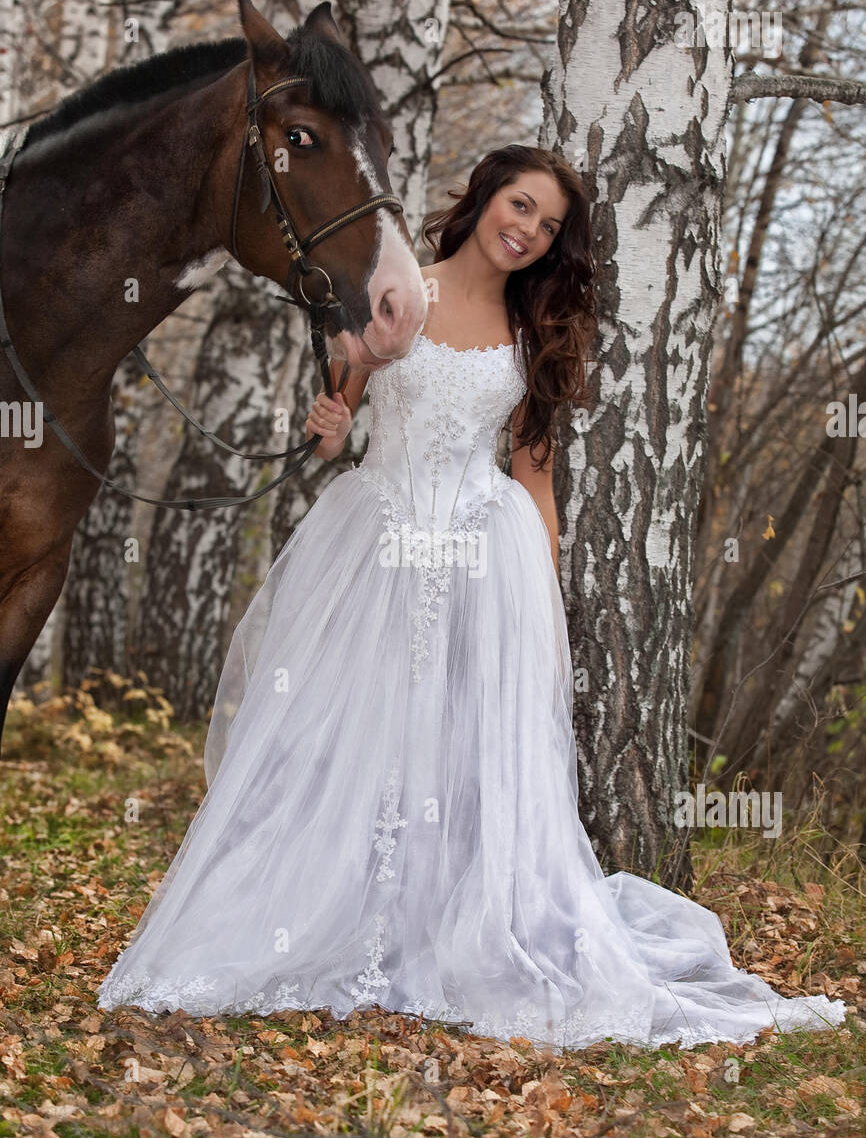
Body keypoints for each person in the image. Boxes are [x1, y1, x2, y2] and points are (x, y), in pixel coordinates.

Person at [98, 145, 846, 1051]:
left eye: (547, 224)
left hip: (483, 559)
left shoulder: (536, 330)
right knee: (344, 733)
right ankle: (320, 915)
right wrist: (330, 425)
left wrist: (543, 593)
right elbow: (343, 419)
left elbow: (533, 475)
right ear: (486, 196)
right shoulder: (396, 285)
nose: (527, 230)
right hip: (374, 538)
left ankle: (453, 926)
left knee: (460, 748)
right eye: (519, 205)